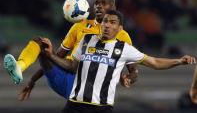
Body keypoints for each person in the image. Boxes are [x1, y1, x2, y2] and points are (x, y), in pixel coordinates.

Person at [42, 10, 196, 113]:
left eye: (112, 22)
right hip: (74, 105)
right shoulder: (87, 39)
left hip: (101, 107)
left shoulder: (124, 49)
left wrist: (179, 61)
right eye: (105, 21)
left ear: (120, 28)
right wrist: (51, 55)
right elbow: (71, 66)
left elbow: (154, 62)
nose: (107, 25)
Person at [4, 0, 137, 100]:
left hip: (87, 86)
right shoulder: (79, 26)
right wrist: (32, 81)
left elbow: (133, 71)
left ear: (113, 8)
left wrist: (128, 78)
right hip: (63, 76)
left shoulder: (122, 35)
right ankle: (19, 67)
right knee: (41, 42)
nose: (98, 6)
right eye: (96, 3)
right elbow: (55, 56)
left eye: (103, 3)